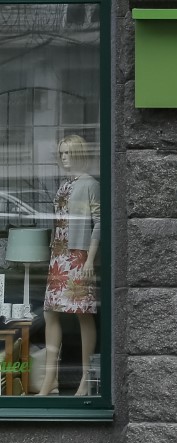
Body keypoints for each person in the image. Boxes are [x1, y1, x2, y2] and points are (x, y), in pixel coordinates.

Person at [37, 135, 100, 396]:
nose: (64, 158)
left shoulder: (90, 185)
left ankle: (86, 380)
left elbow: (100, 222)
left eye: (68, 153)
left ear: (78, 154)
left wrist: (90, 259)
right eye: (61, 153)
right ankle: (50, 378)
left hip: (77, 256)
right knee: (51, 312)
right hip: (59, 254)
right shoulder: (64, 185)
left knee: (83, 314)